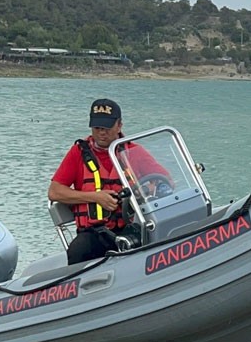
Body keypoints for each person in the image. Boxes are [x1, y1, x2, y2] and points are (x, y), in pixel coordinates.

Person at [48, 98, 169, 264]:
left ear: (119, 125)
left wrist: (145, 191)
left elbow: (165, 180)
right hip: (95, 233)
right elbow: (55, 191)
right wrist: (96, 197)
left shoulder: (133, 152)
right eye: (97, 127)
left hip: (132, 227)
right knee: (78, 250)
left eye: (107, 127)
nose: (101, 132)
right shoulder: (78, 153)